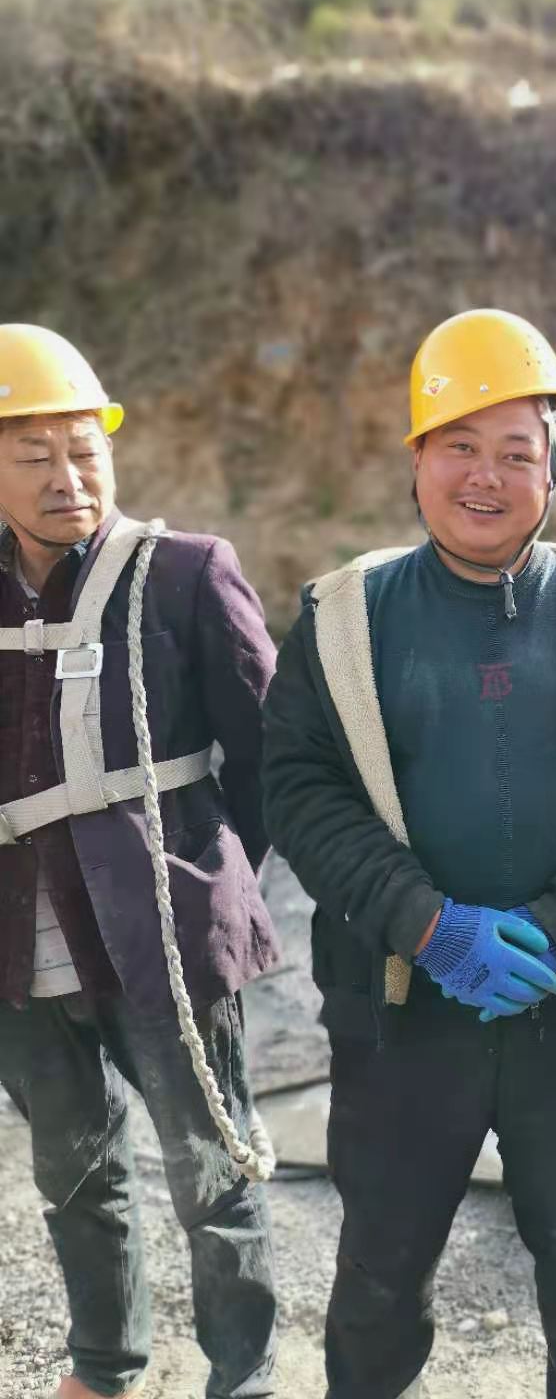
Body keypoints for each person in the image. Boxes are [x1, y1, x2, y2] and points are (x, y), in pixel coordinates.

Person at [262, 308, 556, 1399]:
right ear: (416, 457)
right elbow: (301, 791)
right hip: (404, 1011)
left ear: (555, 468)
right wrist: (429, 925)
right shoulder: (342, 618)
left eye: (517, 451)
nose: (487, 475)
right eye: (459, 445)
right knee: (380, 1275)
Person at [0, 324, 280, 1399]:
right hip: (23, 948)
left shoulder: (184, 575)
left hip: (162, 933)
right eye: (35, 455)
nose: (67, 478)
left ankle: (242, 1378)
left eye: (85, 451)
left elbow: (270, 756)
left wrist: (211, 884)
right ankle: (104, 1366)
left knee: (214, 1172)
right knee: (74, 1175)